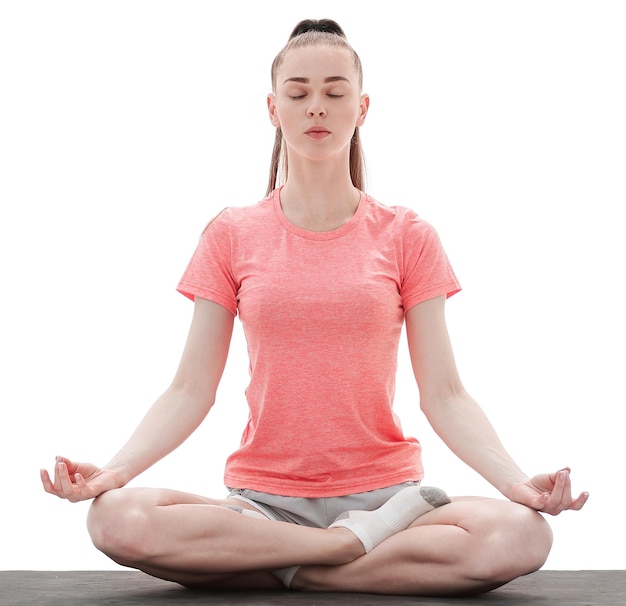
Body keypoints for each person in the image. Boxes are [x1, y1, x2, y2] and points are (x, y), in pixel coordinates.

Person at [41, 19, 588, 597]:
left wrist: (516, 484)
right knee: (114, 518)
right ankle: (338, 551)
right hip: (265, 507)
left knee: (522, 536)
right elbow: (189, 389)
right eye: (298, 94)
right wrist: (115, 471)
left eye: (334, 92)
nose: (316, 108)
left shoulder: (408, 234)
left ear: (363, 106)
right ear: (274, 110)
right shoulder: (232, 233)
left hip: (389, 500)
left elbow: (445, 394)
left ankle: (277, 569)